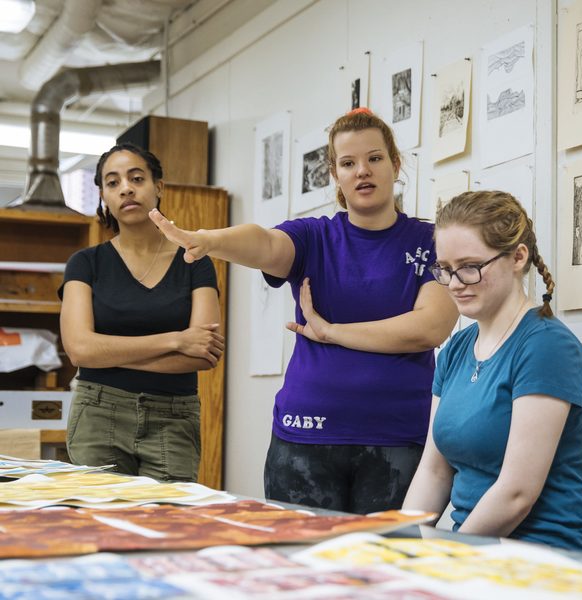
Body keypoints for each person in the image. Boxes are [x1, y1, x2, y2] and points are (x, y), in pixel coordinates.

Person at [149, 108, 458, 513]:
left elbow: (430, 328)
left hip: (399, 439)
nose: (362, 171)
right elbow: (264, 242)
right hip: (305, 439)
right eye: (348, 163)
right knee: (300, 568)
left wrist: (331, 332)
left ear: (395, 164)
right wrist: (209, 239)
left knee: (383, 571)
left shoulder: (433, 240)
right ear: (335, 174)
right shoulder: (313, 237)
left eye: (375, 158)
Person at [403, 190, 582, 552]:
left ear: (517, 257)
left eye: (469, 266)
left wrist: (450, 554)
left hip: (549, 549)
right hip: (477, 546)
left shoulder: (546, 347)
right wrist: (401, 542)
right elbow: (434, 471)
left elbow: (516, 493)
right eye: (445, 270)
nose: (456, 283)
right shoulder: (456, 351)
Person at [59, 143, 224, 482]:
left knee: (168, 527)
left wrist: (105, 353)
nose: (126, 188)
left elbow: (204, 353)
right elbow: (79, 349)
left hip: (173, 416)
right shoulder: (85, 263)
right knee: (102, 528)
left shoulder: (194, 261)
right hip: (97, 414)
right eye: (113, 182)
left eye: (136, 178)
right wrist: (176, 340)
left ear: (158, 187)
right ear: (104, 195)